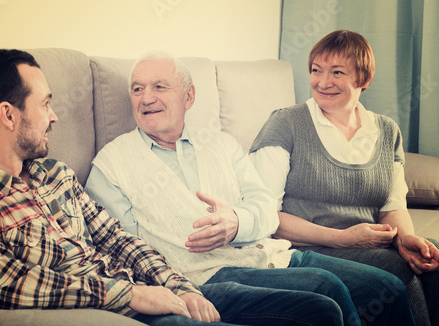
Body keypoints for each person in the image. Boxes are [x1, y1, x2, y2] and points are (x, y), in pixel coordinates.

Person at [0, 49, 347, 326]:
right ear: (8, 116)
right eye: (45, 104)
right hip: (123, 307)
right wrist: (128, 295)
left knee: (320, 309)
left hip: (156, 288)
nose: (55, 117)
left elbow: (119, 241)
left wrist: (177, 287)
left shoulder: (54, 174)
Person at [85, 50, 416, 326]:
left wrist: (236, 223)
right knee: (325, 289)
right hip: (206, 275)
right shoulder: (112, 164)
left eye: (159, 86)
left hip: (273, 256)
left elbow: (265, 210)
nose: (147, 98)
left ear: (189, 96)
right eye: (137, 89)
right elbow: (122, 250)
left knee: (388, 287)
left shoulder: (222, 144)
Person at [250, 29, 439, 326]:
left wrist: (405, 239)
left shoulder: (387, 130)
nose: (323, 82)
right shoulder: (286, 123)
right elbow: (263, 215)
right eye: (316, 70)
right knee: (399, 270)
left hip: (369, 244)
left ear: (363, 80)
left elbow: (393, 206)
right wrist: (342, 239)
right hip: (307, 248)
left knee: (432, 259)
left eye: (337, 72)